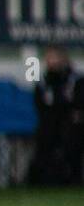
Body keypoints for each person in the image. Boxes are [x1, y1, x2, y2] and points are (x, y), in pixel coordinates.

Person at [28, 45, 84, 186]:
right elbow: (40, 105)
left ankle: (73, 177)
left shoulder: (75, 80)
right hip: (50, 123)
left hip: (72, 123)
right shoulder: (43, 83)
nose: (52, 62)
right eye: (49, 58)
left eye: (55, 57)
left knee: (73, 133)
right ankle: (44, 179)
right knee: (46, 133)